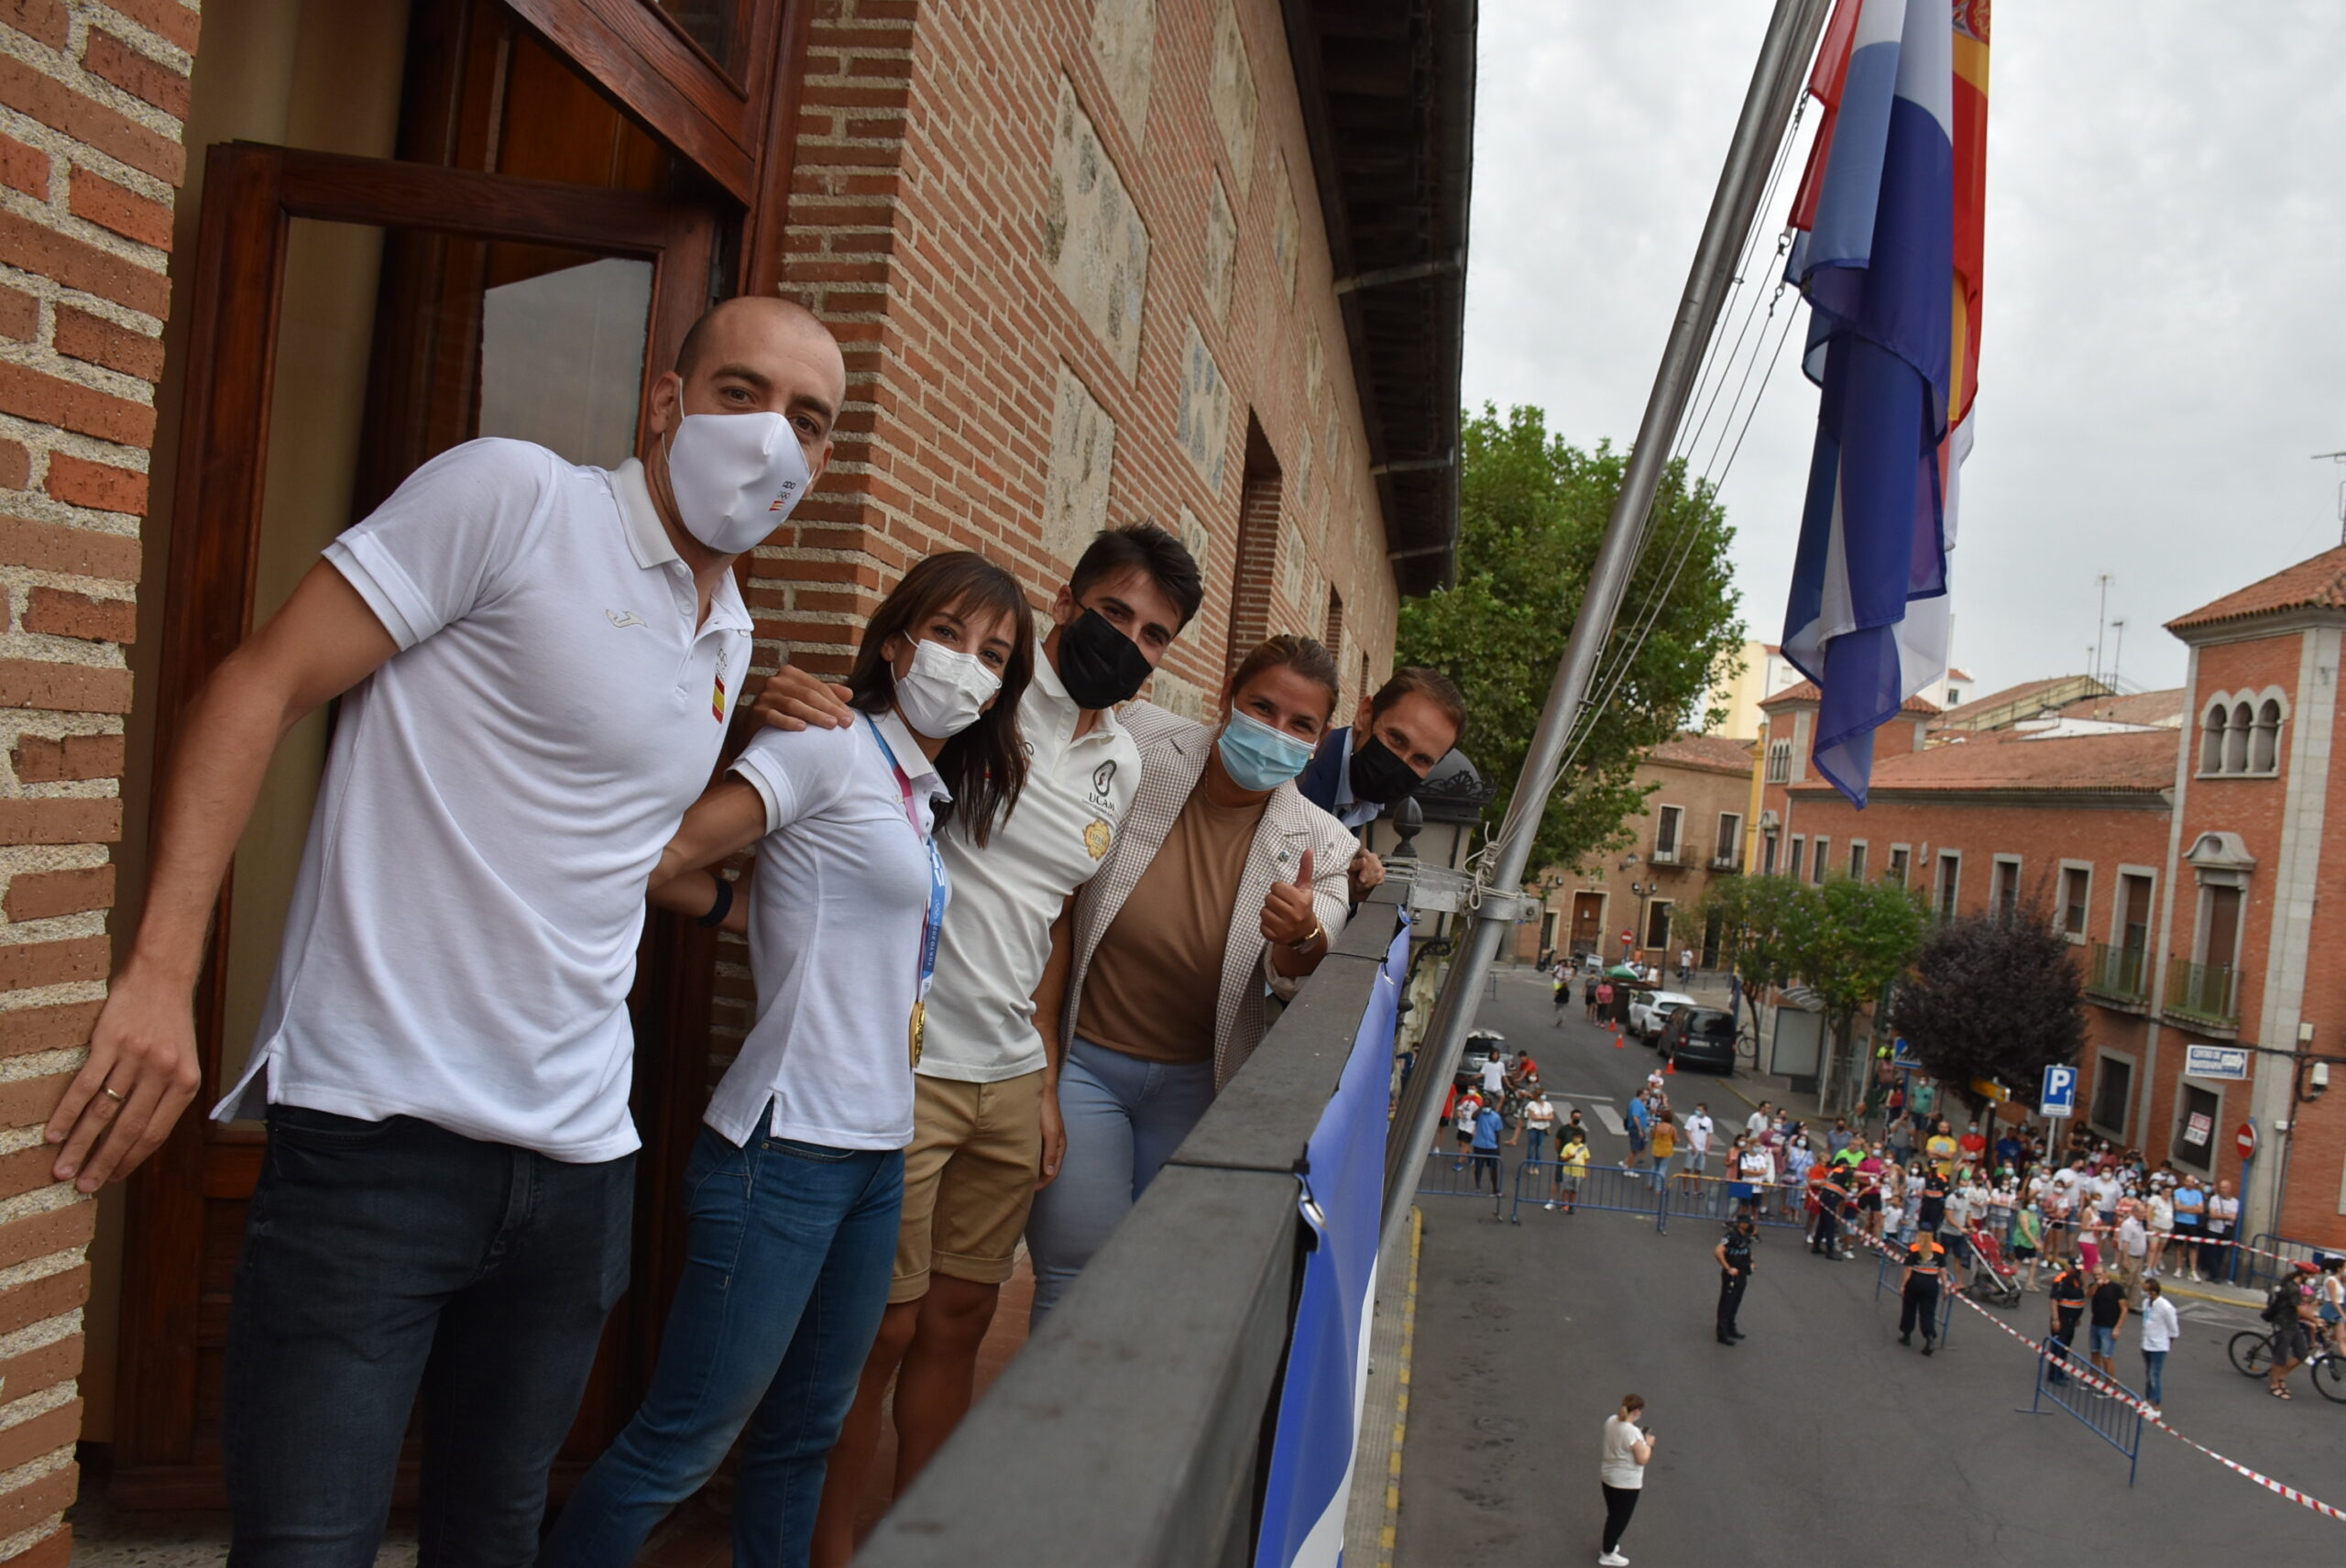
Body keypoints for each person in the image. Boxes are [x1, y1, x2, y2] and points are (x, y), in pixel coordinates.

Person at [73, 295, 840, 1559]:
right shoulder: (516, 500)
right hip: (380, 1138)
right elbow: (259, 683)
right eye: (742, 393)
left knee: (492, 1534)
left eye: (808, 423)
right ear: (665, 401)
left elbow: (606, 843)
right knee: (306, 1540)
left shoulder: (728, 631)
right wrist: (162, 970)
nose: (770, 440)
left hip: (580, 1163)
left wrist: (757, 800)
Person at [544, 550, 1036, 1568]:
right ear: (896, 641)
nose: (967, 665)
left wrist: (744, 910)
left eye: (993, 654)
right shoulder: (827, 746)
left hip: (874, 1153)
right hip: (783, 1149)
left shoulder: (918, 792)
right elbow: (661, 855)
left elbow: (821, 911)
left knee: (806, 1435)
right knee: (684, 1440)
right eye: (948, 634)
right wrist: (724, 897)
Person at [786, 524, 1205, 1565]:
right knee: (874, 1332)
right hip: (907, 1066)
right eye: (1114, 613)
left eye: (1154, 634)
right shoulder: (981, 698)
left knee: (962, 1317)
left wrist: (1049, 1080)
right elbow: (858, 746)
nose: (1129, 641)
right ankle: (830, 1549)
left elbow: (1056, 917)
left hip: (1012, 1081)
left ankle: (925, 1537)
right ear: (1065, 603)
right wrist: (792, 703)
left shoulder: (1125, 756)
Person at [1025, 635, 1357, 1321]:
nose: (1275, 732)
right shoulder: (1141, 742)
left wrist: (1299, 931)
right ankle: (1055, 1424)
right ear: (1227, 698)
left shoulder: (1325, 843)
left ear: (1320, 742)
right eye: (1262, 707)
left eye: (1301, 725)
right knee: (1074, 1274)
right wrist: (1047, 1075)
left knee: (1158, 1277)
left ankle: (1130, 1427)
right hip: (1085, 1064)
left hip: (1194, 1086)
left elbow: (1309, 951)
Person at [1293, 665, 1467, 901]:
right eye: (1396, 739)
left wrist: (1347, 888)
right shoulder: (1298, 776)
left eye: (1421, 759)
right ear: (1365, 714)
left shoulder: (1357, 798)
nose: (1400, 763)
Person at [1597, 1395, 1654, 1567]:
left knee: (1613, 1514)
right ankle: (1607, 1553)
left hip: (1608, 1478)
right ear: (1637, 1411)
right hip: (1626, 1483)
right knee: (1619, 1519)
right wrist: (1649, 1443)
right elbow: (1642, 1458)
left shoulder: (1611, 1421)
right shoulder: (1632, 1432)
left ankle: (1610, 1545)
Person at [2265, 1261, 2321, 1400]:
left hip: (2293, 1323)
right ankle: (2274, 1385)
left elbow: (2302, 1308)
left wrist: (2314, 1317)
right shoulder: (2292, 1287)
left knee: (2302, 1354)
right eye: (2311, 1275)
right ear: (2303, 1274)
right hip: (2283, 1323)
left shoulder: (2298, 1286)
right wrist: (2315, 1321)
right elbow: (2299, 1308)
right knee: (2281, 1356)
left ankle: (2280, 1377)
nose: (2312, 1279)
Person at [1899, 1234, 1946, 1354]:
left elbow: (1908, 1269)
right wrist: (1946, 1287)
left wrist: (1903, 1285)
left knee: (1909, 1308)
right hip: (1931, 1283)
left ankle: (1907, 1335)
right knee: (1928, 1312)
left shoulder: (1915, 1248)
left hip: (1915, 1281)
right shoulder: (1939, 1249)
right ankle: (1929, 1336)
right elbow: (1943, 1270)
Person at [2138, 1277, 2177, 1419]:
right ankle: (2149, 1401)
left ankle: (2156, 1405)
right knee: (2149, 1374)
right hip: (2147, 1344)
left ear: (2153, 1292)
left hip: (2159, 1346)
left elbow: (2173, 1328)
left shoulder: (2165, 1307)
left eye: (2146, 1290)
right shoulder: (2146, 1304)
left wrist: (2168, 1343)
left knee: (2154, 1375)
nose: (2144, 1293)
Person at [2047, 1257, 2088, 1385]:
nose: (2078, 1272)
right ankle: (2054, 1374)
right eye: (2076, 1269)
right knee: (2058, 1347)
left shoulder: (2077, 1280)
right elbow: (2054, 1300)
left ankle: (2060, 1370)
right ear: (2070, 1267)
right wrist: (2055, 1319)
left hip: (2071, 1320)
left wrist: (2077, 1318)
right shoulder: (2061, 1280)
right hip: (2062, 1319)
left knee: (2066, 1347)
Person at [1716, 1215, 1755, 1344]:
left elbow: (1748, 1251)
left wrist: (1752, 1262)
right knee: (1727, 1303)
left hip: (1742, 1273)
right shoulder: (1731, 1236)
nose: (1750, 1225)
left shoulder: (1747, 1236)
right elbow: (1718, 1251)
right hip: (1732, 1274)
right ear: (1741, 1224)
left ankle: (1731, 1328)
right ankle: (1722, 1333)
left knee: (1736, 1302)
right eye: (1748, 1223)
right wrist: (1728, 1268)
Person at [2087, 1266, 2130, 1379]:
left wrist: (2118, 1327)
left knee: (2106, 1357)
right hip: (2095, 1324)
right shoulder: (2094, 1287)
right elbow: (2089, 1295)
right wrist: (2097, 1285)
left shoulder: (2116, 1288)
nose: (2097, 1277)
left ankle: (2109, 1384)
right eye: (2095, 1275)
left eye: (2100, 1274)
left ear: (2105, 1273)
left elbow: (2124, 1309)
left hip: (2109, 1327)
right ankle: (2094, 1379)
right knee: (2094, 1353)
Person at [2200, 1179, 2239, 1283]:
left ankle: (2214, 1274)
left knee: (2220, 1254)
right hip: (2213, 1229)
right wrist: (2227, 1216)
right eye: (2221, 1187)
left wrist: (2220, 1215)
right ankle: (2215, 1275)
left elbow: (2234, 1217)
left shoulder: (2235, 1202)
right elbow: (2213, 1214)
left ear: (2230, 1189)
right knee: (2212, 1252)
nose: (2222, 1190)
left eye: (2225, 1188)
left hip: (2226, 1231)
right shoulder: (2214, 1199)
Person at [2170, 1171, 2206, 1281]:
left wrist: (2184, 1207)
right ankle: (2178, 1268)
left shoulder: (2198, 1194)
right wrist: (2192, 1209)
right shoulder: (2178, 1192)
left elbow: (2200, 1209)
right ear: (2184, 1182)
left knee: (2193, 1248)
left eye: (2192, 1182)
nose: (2190, 1184)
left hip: (2192, 1223)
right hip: (2179, 1221)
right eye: (2188, 1181)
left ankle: (2193, 1271)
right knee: (2179, 1246)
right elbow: (2177, 1207)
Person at [1469, 1097, 1505, 1196]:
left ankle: (1494, 1188)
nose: (1486, 1106)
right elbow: (1473, 1117)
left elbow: (1497, 1133)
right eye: (1485, 1104)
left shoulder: (1496, 1117)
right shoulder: (1479, 1115)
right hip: (1479, 1145)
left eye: (1488, 1105)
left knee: (1493, 1168)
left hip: (1492, 1146)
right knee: (1478, 1167)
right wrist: (1481, 1107)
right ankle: (1477, 1186)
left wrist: (1498, 1147)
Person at [2013, 1197, 2045, 1292]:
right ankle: (2011, 1279)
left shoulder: (2035, 1215)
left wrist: (2039, 1241)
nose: (2033, 1205)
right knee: (2019, 1261)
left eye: (2035, 1203)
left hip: (2031, 1243)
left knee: (2034, 1261)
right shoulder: (2023, 1214)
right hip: (2022, 1241)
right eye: (2031, 1203)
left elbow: (2037, 1229)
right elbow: (2026, 1230)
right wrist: (2035, 1243)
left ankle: (2030, 1283)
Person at [1555, 1126, 1589, 1213]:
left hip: (1579, 1173)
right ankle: (1565, 1205)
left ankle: (1572, 1205)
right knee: (1566, 1189)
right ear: (1573, 1137)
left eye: (1579, 1137)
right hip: (1568, 1171)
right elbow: (1562, 1158)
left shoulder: (1583, 1148)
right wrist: (1569, 1157)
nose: (1577, 1139)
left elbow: (1587, 1160)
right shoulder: (1568, 1146)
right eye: (1576, 1137)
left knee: (1575, 1190)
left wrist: (1585, 1172)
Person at [1516, 1087, 1555, 1161]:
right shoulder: (1532, 1104)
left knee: (1539, 1147)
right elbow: (1533, 1117)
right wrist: (1545, 1117)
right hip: (1533, 1128)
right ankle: (1529, 1164)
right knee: (1532, 1146)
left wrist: (1540, 1117)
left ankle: (1537, 1165)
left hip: (1543, 1128)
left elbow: (1552, 1117)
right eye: (1542, 1094)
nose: (1544, 1096)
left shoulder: (1548, 1105)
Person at [1649, 1110, 1678, 1193]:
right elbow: (1675, 1140)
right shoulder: (1672, 1128)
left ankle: (1650, 1184)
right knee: (1662, 1168)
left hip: (1657, 1149)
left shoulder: (1657, 1126)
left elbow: (1652, 1137)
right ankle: (1659, 1188)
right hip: (1667, 1151)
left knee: (1655, 1166)